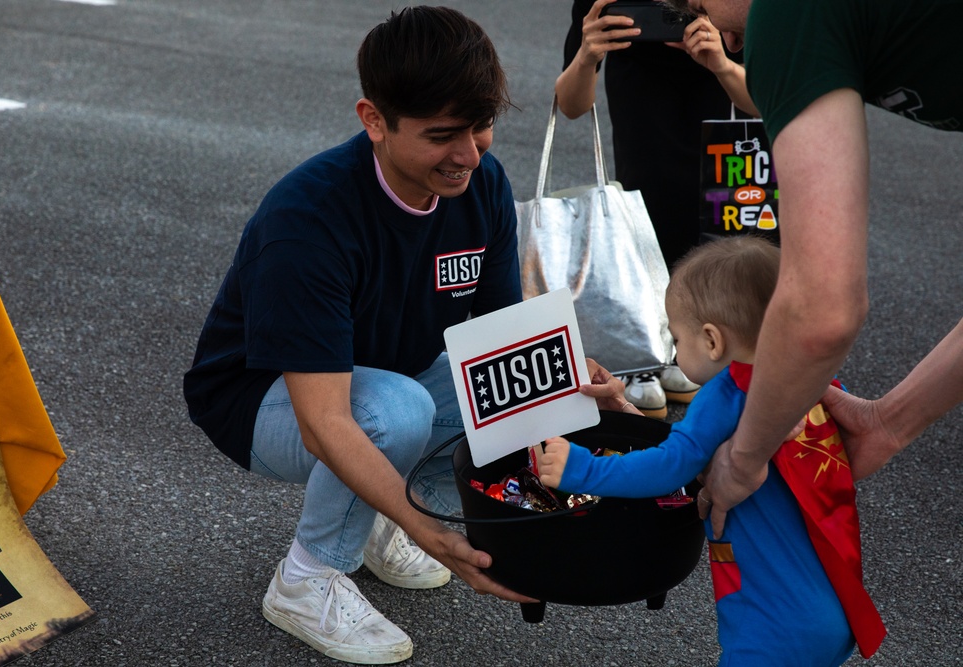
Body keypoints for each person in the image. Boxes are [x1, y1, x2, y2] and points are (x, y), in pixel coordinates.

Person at [183, 7, 627, 664]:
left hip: (386, 375)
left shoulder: (483, 184)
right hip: (261, 398)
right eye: (443, 135)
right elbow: (326, 423)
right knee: (395, 413)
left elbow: (508, 337)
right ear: (374, 121)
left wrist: (580, 390)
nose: (469, 154)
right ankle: (305, 578)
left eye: (481, 128)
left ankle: (373, 522)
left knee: (503, 387)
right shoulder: (309, 217)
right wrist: (429, 529)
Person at [660, 0, 963, 541]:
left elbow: (822, 308)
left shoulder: (785, 13)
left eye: (699, 6)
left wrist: (745, 457)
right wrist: (887, 423)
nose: (730, 45)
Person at [537, 236, 886, 665]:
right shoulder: (813, 388)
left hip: (770, 624)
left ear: (712, 341)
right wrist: (624, 409)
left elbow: (672, 465)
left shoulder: (728, 391)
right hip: (828, 607)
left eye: (677, 339)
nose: (673, 351)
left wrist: (582, 468)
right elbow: (696, 452)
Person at [556, 0, 753, 417]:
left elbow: (770, 101)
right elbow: (570, 104)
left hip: (724, 162)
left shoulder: (731, 5)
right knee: (647, 239)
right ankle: (646, 356)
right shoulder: (607, 1)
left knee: (718, 251)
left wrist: (721, 62)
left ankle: (695, 348)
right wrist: (589, 53)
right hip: (643, 157)